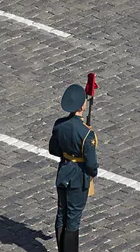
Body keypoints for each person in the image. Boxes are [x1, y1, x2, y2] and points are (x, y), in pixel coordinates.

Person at [48, 83, 98, 252]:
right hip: (78, 177)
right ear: (82, 106)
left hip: (63, 173)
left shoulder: (59, 124)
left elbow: (53, 149)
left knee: (61, 212)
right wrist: (93, 172)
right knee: (73, 218)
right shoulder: (86, 133)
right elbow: (91, 164)